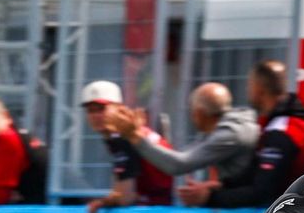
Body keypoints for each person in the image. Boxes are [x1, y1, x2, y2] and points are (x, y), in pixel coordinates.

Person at [186, 60, 304, 209]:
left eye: (249, 86)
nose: (248, 91)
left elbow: (263, 191)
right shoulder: (299, 125)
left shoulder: (282, 132)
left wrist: (210, 198)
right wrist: (222, 185)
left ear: (259, 89)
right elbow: (258, 175)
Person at [106, 81, 258, 188]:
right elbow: (182, 155)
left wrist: (135, 137)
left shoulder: (230, 134)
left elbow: (178, 165)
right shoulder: (224, 129)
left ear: (199, 113)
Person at [77, 80, 173, 213]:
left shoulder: (123, 138)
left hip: (158, 212)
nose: (96, 115)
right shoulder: (126, 134)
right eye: (90, 110)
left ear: (119, 108)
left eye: (101, 109)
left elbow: (125, 197)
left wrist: (102, 203)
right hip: (159, 209)